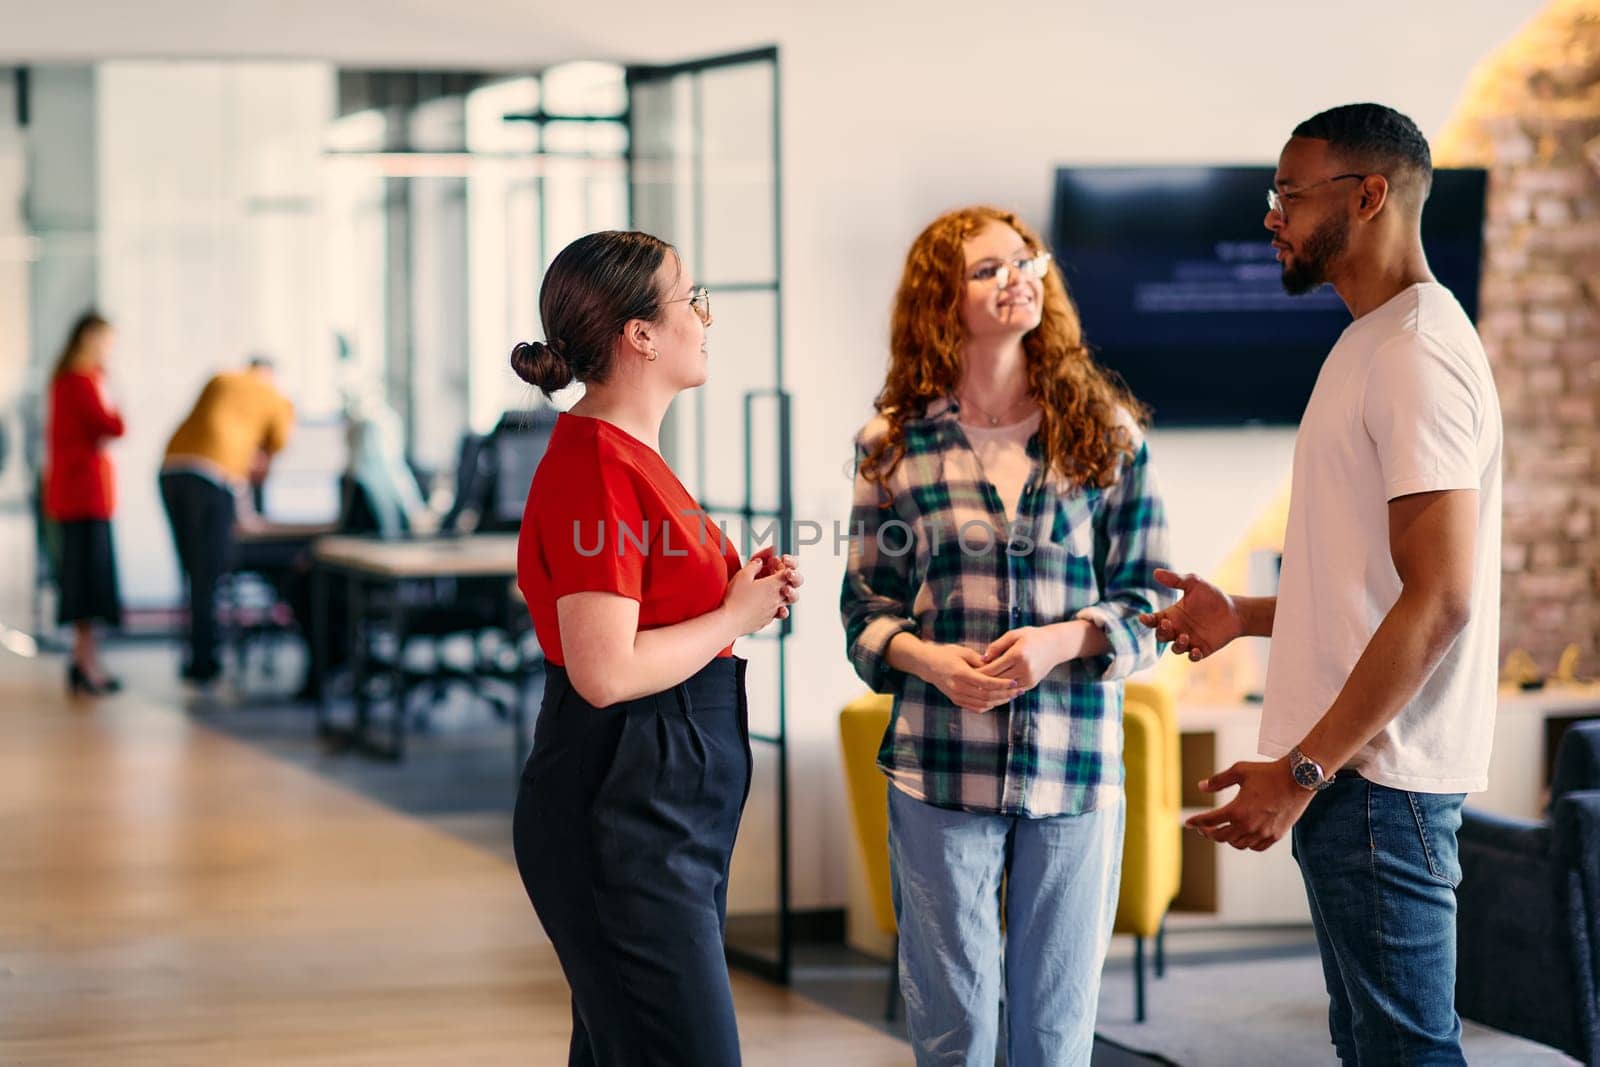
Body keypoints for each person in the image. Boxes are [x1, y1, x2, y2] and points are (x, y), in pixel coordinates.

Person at [1141, 104, 1502, 1065]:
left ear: (1369, 195)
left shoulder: (1417, 355)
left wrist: (1303, 771)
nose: (1271, 217)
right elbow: (1377, 580)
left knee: (1406, 1051)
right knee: (1374, 1048)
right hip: (1355, 778)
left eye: (1288, 195)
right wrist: (1247, 616)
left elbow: (1443, 597)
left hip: (1375, 779)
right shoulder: (1370, 341)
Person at [840, 206, 1171, 1067]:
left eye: (1026, 261)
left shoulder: (1107, 434)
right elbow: (864, 610)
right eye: (988, 269)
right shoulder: (890, 447)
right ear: (938, 299)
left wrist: (1062, 640)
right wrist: (926, 659)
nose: (1018, 277)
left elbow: (1149, 607)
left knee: (1055, 1037)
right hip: (938, 764)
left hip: (1075, 765)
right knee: (955, 1034)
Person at [509, 230, 802, 1067]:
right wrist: (732, 617)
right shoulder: (597, 464)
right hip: (624, 811)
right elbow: (604, 672)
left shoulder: (628, 456)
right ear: (640, 334)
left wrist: (733, 594)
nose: (706, 316)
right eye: (691, 298)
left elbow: (645, 615)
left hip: (660, 810)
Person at [159, 356, 295, 685]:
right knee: (210, 571)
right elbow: (271, 452)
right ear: (272, 375)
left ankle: (198, 653)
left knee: (193, 571)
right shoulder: (275, 398)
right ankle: (205, 661)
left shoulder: (220, 378)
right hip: (210, 478)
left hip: (171, 470)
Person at [43, 311, 126, 696]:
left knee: (84, 582)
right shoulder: (81, 381)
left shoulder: (66, 381)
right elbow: (111, 426)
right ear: (90, 337)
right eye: (107, 342)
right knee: (86, 584)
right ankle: (86, 662)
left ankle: (85, 661)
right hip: (83, 495)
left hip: (78, 493)